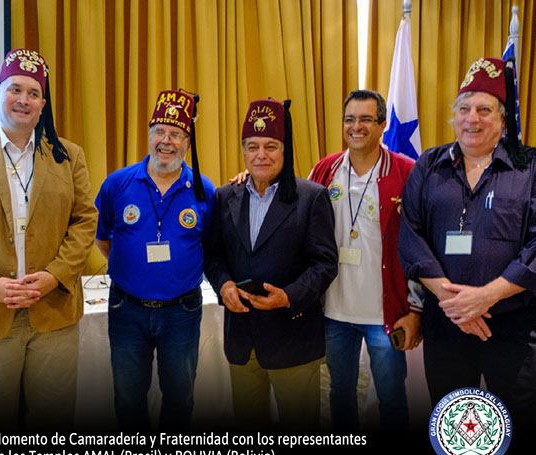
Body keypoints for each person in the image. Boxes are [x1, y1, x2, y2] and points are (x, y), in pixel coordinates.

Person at [398, 57, 536, 430]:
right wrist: (456, 303)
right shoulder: (429, 165)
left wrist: (487, 296)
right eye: (464, 109)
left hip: (513, 326)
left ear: (504, 120)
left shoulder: (530, 167)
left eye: (484, 110)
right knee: (455, 425)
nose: (472, 118)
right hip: (447, 324)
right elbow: (411, 236)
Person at [0, 48, 98, 430]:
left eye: (34, 93)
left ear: (42, 104)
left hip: (54, 315)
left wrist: (55, 275)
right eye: (15, 89)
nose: (24, 99)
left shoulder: (68, 155)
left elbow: (85, 221)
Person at [204, 98, 338, 431]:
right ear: (243, 152)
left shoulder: (312, 197)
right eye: (253, 147)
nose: (261, 155)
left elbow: (324, 263)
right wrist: (224, 285)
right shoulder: (225, 196)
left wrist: (289, 296)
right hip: (242, 340)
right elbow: (213, 255)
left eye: (270, 146)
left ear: (284, 150)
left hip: (292, 339)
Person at [95, 89, 215, 432]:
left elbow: (210, 244)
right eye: (159, 131)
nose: (166, 141)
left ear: (187, 143)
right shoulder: (117, 184)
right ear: (148, 136)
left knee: (180, 400)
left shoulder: (203, 189)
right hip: (127, 310)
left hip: (182, 312)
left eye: (176, 134)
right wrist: (134, 269)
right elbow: (103, 238)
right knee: (128, 401)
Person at [309, 90, 423, 432]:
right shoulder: (325, 169)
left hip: (385, 315)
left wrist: (416, 309)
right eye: (349, 119)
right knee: (340, 393)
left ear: (382, 125)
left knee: (391, 397)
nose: (356, 127)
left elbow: (421, 247)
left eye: (365, 119)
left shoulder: (406, 171)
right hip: (335, 311)